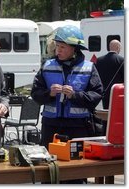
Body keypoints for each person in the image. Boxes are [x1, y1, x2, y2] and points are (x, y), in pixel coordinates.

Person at [31, 25, 103, 184]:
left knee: (76, 172)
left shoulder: (89, 68)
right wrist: (49, 93)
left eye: (62, 47)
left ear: (74, 49)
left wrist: (75, 95)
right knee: (49, 172)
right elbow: (35, 93)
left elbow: (96, 95)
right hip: (51, 128)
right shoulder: (47, 66)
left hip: (77, 129)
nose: (58, 50)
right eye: (57, 46)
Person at [95, 39, 124, 109]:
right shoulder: (122, 60)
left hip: (104, 92)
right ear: (118, 47)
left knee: (106, 111)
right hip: (117, 92)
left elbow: (96, 77)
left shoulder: (99, 60)